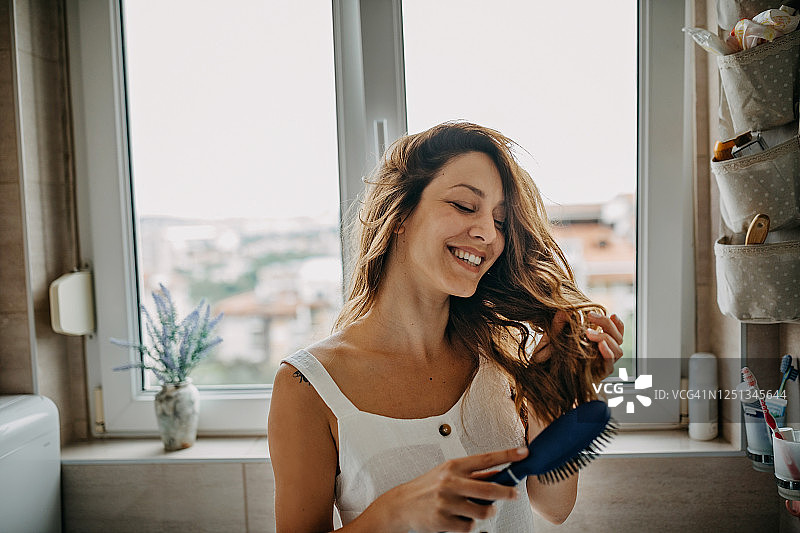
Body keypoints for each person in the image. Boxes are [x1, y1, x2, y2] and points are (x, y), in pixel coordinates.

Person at [268, 121, 625, 533]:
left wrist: (559, 387)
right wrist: (394, 513)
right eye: (464, 206)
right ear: (399, 213)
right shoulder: (309, 386)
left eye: (501, 220)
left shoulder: (504, 356)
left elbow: (554, 505)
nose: (488, 233)